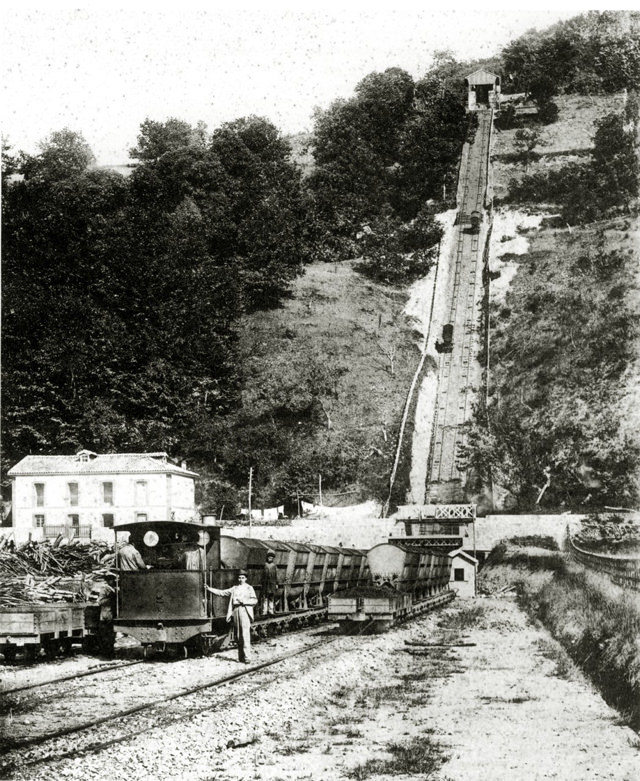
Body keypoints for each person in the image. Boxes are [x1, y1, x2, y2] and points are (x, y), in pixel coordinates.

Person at [206, 570, 257, 663]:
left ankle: (247, 657)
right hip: (236, 610)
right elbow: (222, 593)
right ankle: (241, 657)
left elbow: (254, 600)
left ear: (246, 579)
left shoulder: (249, 588)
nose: (241, 579)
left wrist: (245, 602)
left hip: (244, 610)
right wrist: (209, 589)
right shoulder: (235, 588)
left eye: (243, 578)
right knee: (238, 635)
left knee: (245, 634)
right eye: (239, 577)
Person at [261, 551, 279, 615]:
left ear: (273, 559)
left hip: (272, 584)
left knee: (271, 597)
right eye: (269, 558)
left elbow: (276, 576)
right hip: (266, 584)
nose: (270, 559)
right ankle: (264, 611)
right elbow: (262, 575)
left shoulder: (274, 566)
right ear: (267, 558)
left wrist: (277, 584)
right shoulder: (265, 565)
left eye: (271, 558)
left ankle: (271, 610)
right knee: (265, 597)